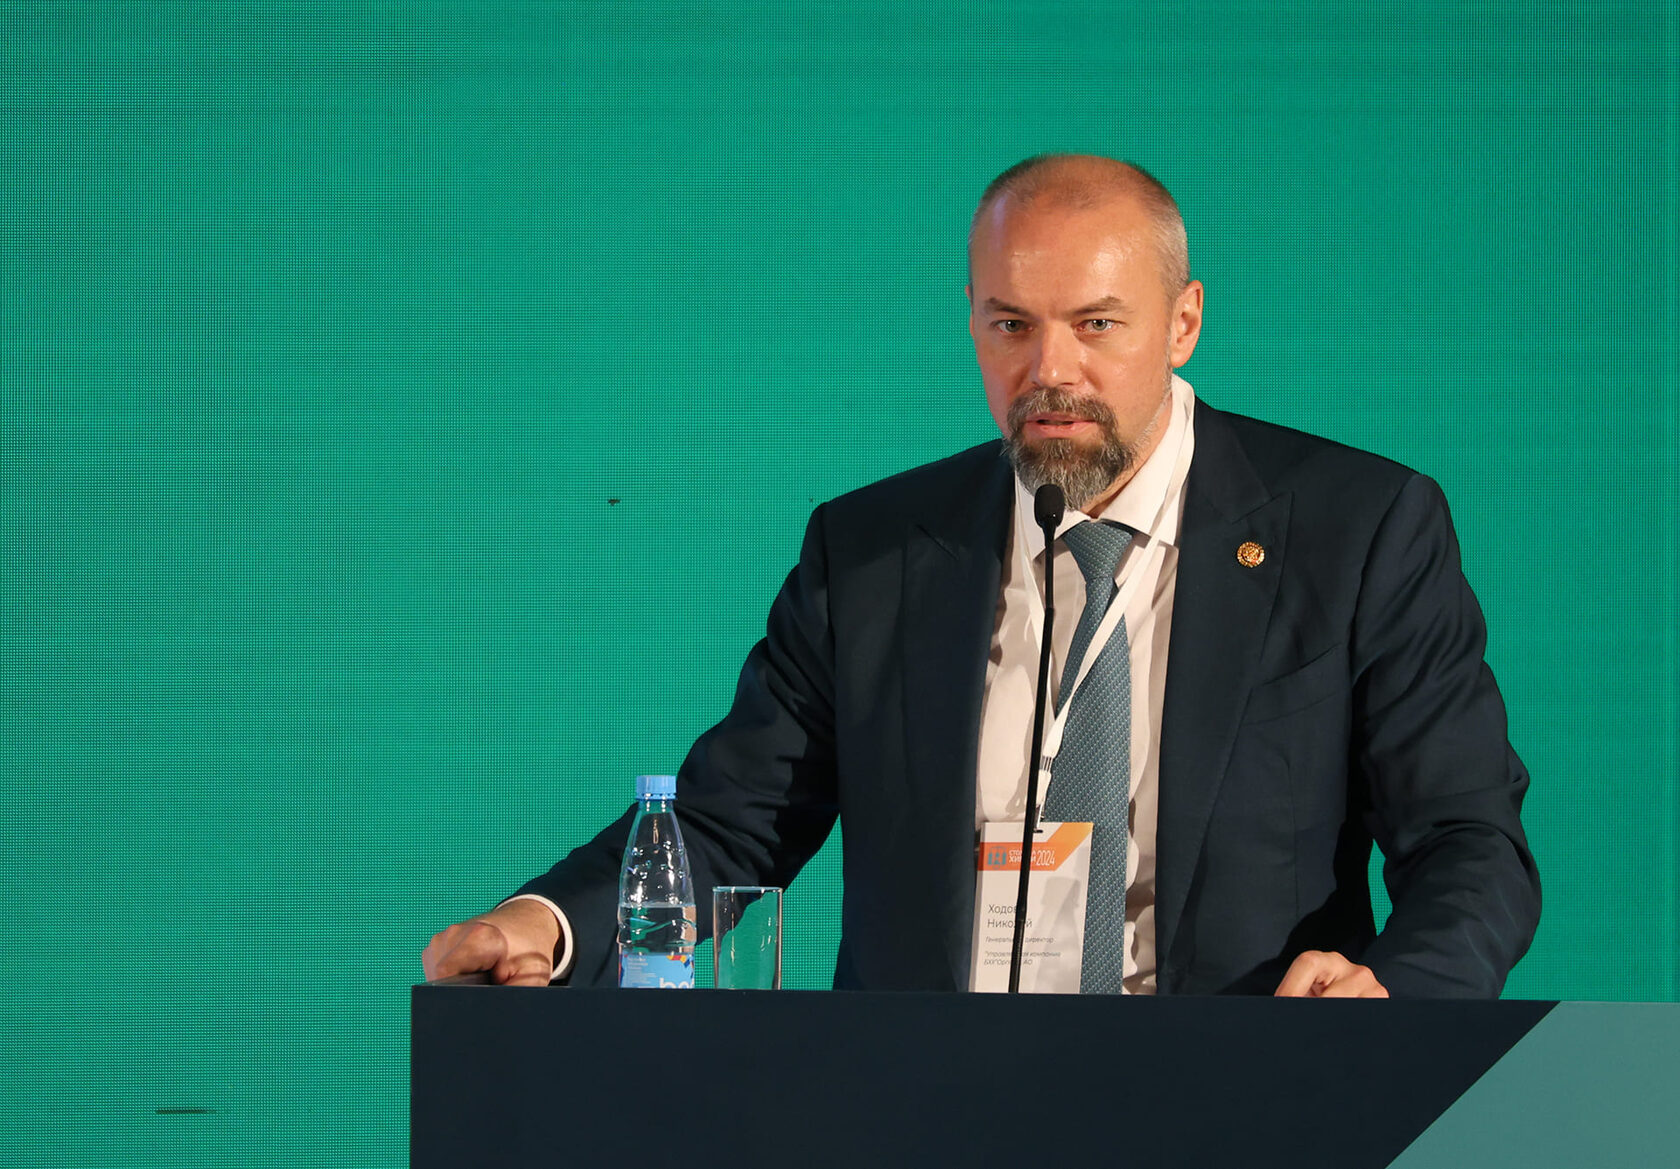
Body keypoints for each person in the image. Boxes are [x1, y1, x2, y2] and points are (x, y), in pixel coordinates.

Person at [423, 155, 1540, 997]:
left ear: (1183, 322)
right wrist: (545, 923)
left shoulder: (1359, 530)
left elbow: (1468, 841)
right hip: (925, 1109)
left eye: (1096, 324)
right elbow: (732, 818)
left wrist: (1393, 989)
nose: (1050, 370)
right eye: (1011, 323)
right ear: (971, 321)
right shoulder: (873, 553)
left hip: (1240, 1102)